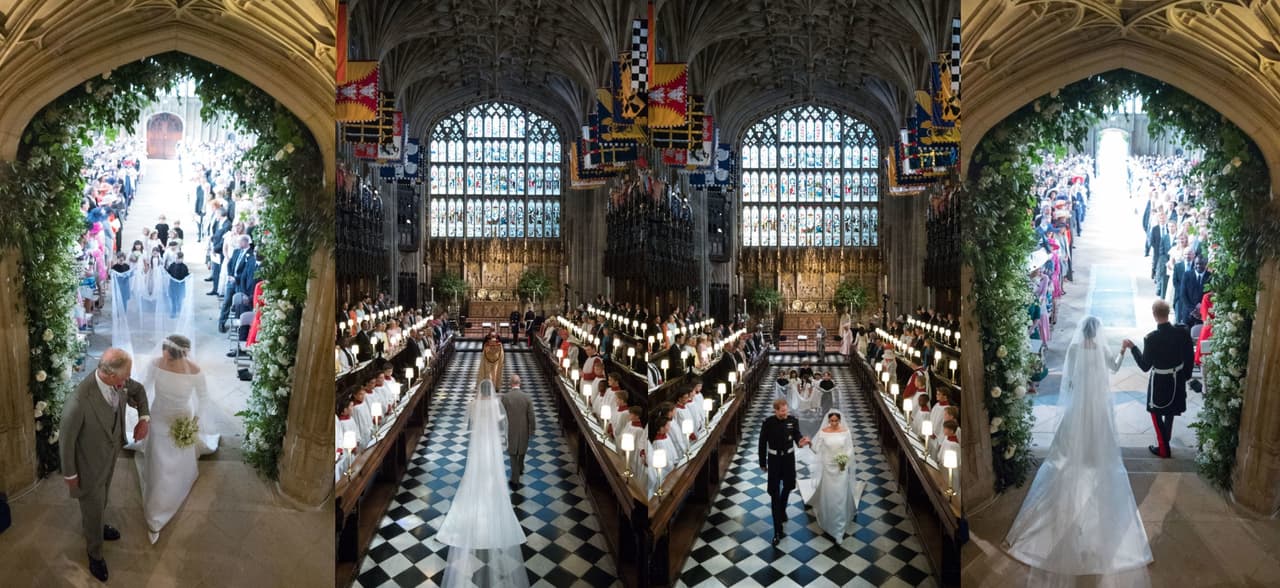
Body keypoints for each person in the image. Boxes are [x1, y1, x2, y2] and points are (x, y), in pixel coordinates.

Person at [1006, 316, 1153, 574]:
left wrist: (1079, 389)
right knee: (1099, 434)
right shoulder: (1101, 349)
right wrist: (1121, 350)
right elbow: (1115, 369)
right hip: (1097, 403)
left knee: (1069, 438)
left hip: (1080, 401)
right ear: (1097, 333)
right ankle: (1093, 456)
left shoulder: (1074, 349)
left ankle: (1077, 455)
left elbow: (1070, 377)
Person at [59, 348, 150, 582]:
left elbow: (138, 392)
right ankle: (95, 553)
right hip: (88, 465)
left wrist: (144, 419)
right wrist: (71, 476)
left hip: (110, 455)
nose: (127, 381)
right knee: (92, 505)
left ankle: (97, 526)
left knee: (102, 499)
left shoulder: (120, 382)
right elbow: (66, 442)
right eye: (124, 377)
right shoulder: (79, 402)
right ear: (109, 376)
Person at [436, 379, 529, 588]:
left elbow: (469, 423)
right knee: (492, 469)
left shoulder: (473, 404)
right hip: (492, 442)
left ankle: (477, 491)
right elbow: (500, 422)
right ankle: (490, 491)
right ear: (492, 391)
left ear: (479, 390)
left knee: (475, 468)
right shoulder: (496, 404)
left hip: (478, 440)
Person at [135, 335, 220, 544]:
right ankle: (156, 511)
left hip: (182, 419)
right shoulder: (156, 364)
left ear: (177, 353)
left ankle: (173, 490)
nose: (164, 358)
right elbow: (143, 388)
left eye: (167, 354)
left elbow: (204, 398)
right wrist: (143, 415)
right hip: (158, 416)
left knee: (177, 457)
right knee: (159, 461)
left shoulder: (195, 371)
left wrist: (195, 422)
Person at [1126, 299, 1195, 458]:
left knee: (1155, 411)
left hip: (1159, 380)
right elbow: (1189, 356)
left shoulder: (1151, 338)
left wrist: (1133, 348)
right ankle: (1166, 439)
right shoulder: (1182, 332)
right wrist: (1185, 376)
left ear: (1154, 315)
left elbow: (1145, 366)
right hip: (1177, 378)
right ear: (1168, 312)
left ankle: (1163, 448)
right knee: (1170, 410)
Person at [800, 410, 862, 540]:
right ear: (829, 421)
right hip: (828, 467)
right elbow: (817, 449)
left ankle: (839, 526)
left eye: (836, 421)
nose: (833, 423)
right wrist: (810, 443)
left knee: (840, 493)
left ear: (839, 420)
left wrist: (844, 460)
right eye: (831, 421)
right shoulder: (824, 432)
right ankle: (828, 519)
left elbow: (849, 449)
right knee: (830, 493)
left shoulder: (845, 432)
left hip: (841, 467)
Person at [759, 398, 810, 545]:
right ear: (776, 410)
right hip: (774, 461)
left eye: (786, 410)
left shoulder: (793, 421)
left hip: (788, 459)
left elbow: (797, 436)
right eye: (782, 411)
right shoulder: (768, 423)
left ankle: (782, 508)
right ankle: (777, 531)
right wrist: (762, 462)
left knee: (788, 486)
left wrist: (801, 442)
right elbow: (762, 443)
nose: (785, 413)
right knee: (774, 493)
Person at [500, 375, 536, 490]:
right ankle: (519, 470)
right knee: (521, 451)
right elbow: (531, 415)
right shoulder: (527, 397)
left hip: (510, 430)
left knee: (512, 454)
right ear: (520, 384)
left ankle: (515, 478)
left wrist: (501, 429)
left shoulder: (505, 397)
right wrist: (532, 429)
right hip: (523, 430)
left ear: (511, 384)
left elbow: (502, 415)